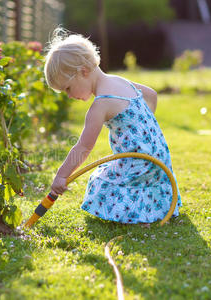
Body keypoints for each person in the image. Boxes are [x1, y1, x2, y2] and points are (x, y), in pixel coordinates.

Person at [44, 28, 182, 224]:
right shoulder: (120, 81)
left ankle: (136, 214)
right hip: (160, 158)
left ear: (83, 72)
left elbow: (83, 148)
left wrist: (61, 176)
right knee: (118, 170)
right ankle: (153, 207)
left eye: (67, 88)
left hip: (140, 163)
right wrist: (143, 127)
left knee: (100, 180)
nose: (68, 95)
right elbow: (151, 94)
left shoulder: (101, 104)